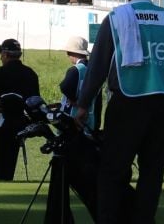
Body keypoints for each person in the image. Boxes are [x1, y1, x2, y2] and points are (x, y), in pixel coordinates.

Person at [75, 0, 164, 223]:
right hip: (162, 103)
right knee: (152, 173)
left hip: (126, 103)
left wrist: (83, 105)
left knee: (112, 170)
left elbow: (97, 67)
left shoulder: (117, 18)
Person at [49, 36, 102, 224]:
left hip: (73, 125)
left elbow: (66, 88)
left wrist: (72, 102)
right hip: (89, 125)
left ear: (71, 53)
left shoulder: (76, 70)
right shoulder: (91, 70)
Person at [0, 38, 40, 181]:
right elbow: (35, 102)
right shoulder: (30, 74)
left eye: (1, 54)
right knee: (10, 165)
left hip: (0, 123)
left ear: (5, 54)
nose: (0, 58)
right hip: (19, 125)